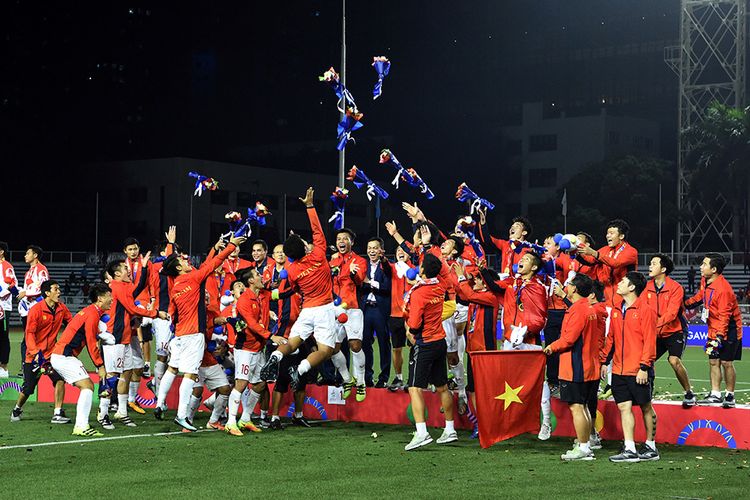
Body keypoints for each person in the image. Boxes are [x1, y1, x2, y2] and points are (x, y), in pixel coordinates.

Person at [156, 233, 245, 431]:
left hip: (179, 335)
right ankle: (181, 416)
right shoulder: (192, 278)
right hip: (193, 335)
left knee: (173, 369)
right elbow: (213, 264)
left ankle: (160, 403)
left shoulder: (176, 286)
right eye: (183, 260)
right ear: (179, 268)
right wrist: (230, 246)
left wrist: (215, 247)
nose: (186, 261)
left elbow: (173, 312)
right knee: (189, 374)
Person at [259, 188, 338, 392]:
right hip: (324, 309)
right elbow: (317, 230)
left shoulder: (291, 270)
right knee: (326, 350)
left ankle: (275, 356)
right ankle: (301, 369)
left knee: (293, 343)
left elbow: (294, 289)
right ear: (304, 248)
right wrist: (310, 206)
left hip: (306, 311)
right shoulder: (319, 255)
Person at [601, 272, 659, 463]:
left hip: (638, 369)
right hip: (618, 369)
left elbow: (650, 342)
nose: (619, 284)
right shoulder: (617, 309)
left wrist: (644, 367)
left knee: (645, 406)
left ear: (632, 287)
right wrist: (604, 362)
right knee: (624, 407)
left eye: (623, 282)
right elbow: (611, 339)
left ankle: (651, 446)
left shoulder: (646, 310)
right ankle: (630, 448)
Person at [543, 274, 602, 461]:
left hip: (576, 366)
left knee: (576, 407)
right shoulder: (589, 308)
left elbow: (569, 339)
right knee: (582, 406)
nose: (565, 286)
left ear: (574, 289)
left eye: (568, 284)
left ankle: (583, 447)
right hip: (588, 365)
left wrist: (552, 347)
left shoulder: (578, 311)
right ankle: (584, 444)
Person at [403, 253, 457, 451]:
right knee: (442, 387)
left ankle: (422, 432)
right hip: (439, 341)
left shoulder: (419, 292)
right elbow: (443, 274)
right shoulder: (440, 286)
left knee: (415, 388)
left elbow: (415, 322)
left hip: (424, 343)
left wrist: (410, 330)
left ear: (423, 270)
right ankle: (450, 429)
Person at [100, 257, 161, 429]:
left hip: (125, 337)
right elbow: (132, 308)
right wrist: (156, 313)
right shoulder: (117, 287)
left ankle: (122, 412)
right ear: (117, 274)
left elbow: (139, 288)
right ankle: (103, 414)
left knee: (126, 373)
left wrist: (143, 268)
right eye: (126, 268)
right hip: (115, 338)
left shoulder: (124, 286)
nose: (129, 270)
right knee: (112, 377)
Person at [225, 270, 287, 436]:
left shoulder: (263, 295)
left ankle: (245, 418)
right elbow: (252, 324)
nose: (261, 276)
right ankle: (231, 422)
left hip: (258, 348)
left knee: (259, 384)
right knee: (241, 383)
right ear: (251, 281)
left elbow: (277, 291)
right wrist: (271, 336)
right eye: (258, 275)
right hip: (244, 348)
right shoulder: (244, 300)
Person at [50, 283, 112, 437]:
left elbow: (91, 335)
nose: (112, 299)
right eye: (109, 296)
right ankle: (81, 426)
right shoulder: (92, 314)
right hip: (63, 356)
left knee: (88, 386)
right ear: (100, 299)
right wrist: (100, 365)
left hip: (63, 356)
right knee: (88, 386)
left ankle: (82, 425)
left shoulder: (91, 313)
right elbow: (91, 342)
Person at [684, 253, 743, 408]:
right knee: (713, 361)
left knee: (726, 362)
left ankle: (730, 396)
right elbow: (700, 297)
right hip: (713, 328)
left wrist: (718, 337)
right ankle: (715, 394)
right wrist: (685, 303)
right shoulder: (705, 281)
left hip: (729, 329)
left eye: (704, 264)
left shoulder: (724, 290)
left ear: (714, 269)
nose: (701, 267)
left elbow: (724, 316)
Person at [11, 280, 72, 424]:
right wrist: (35, 353)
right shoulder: (36, 310)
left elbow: (71, 323)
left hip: (51, 355)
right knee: (28, 389)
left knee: (59, 380)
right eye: (56, 289)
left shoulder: (61, 308)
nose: (59, 292)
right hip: (33, 357)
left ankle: (57, 413)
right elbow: (29, 334)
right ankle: (17, 409)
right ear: (47, 293)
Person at [452, 262, 501, 439]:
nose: (476, 281)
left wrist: (461, 277)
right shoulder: (475, 299)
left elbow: (468, 292)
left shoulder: (490, 297)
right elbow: (463, 292)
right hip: (472, 351)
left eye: (479, 279)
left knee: (486, 390)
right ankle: (480, 424)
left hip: (485, 352)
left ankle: (491, 424)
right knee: (472, 389)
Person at [643, 254, 695, 407]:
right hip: (655, 332)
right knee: (646, 361)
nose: (650, 266)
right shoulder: (647, 287)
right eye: (650, 263)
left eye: (653, 263)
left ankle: (688, 393)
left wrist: (653, 325)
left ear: (663, 269)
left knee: (673, 360)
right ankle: (647, 394)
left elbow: (672, 314)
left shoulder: (676, 288)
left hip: (675, 330)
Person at [329, 227, 368, 398]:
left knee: (355, 345)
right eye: (338, 239)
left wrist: (352, 273)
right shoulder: (332, 262)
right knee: (332, 348)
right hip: (335, 310)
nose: (341, 242)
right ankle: (347, 379)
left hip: (352, 308)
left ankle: (360, 382)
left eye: (345, 239)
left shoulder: (359, 261)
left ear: (352, 242)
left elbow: (359, 280)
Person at [578, 219, 638, 310]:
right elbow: (590, 261)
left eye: (611, 233)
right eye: (607, 233)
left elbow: (616, 263)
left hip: (626, 301)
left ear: (621, 236)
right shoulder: (605, 250)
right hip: (608, 301)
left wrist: (594, 253)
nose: (607, 236)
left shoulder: (631, 251)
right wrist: (575, 253)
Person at [542, 234, 575, 395]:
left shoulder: (564, 260)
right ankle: (553, 381)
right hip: (549, 310)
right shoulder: (546, 260)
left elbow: (568, 273)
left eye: (548, 243)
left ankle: (567, 379)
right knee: (550, 347)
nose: (545, 245)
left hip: (564, 309)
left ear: (558, 247)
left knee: (567, 346)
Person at [146, 227, 177, 395]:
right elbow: (167, 264)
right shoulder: (157, 266)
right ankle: (159, 394)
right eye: (173, 251)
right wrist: (171, 243)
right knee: (163, 354)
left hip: (176, 316)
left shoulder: (175, 271)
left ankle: (155, 384)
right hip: (162, 315)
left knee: (175, 356)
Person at [360, 237, 393, 388]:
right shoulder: (362, 265)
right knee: (365, 344)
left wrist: (370, 282)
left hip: (380, 310)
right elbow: (358, 284)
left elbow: (387, 287)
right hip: (366, 309)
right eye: (369, 248)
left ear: (381, 250)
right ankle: (368, 377)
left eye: (375, 248)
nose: (371, 251)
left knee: (383, 344)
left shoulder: (386, 266)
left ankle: (384, 377)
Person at [386, 246, 414, 391]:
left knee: (414, 347)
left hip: (411, 315)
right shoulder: (392, 268)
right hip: (395, 315)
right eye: (397, 251)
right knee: (396, 349)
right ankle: (398, 378)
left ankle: (413, 379)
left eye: (404, 250)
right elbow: (384, 264)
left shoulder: (415, 270)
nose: (400, 253)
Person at [16, 245, 49, 369]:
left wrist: (26, 293)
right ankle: (27, 365)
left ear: (35, 255)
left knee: (33, 338)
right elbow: (27, 290)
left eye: (27, 253)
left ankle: (33, 365)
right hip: (28, 310)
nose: (25, 255)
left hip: (37, 309)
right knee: (27, 338)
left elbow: (43, 287)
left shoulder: (41, 269)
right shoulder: (29, 272)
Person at [0, 241, 18, 377]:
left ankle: (4, 367)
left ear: (1, 252)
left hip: (3, 307)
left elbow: (12, 285)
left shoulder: (6, 266)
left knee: (3, 336)